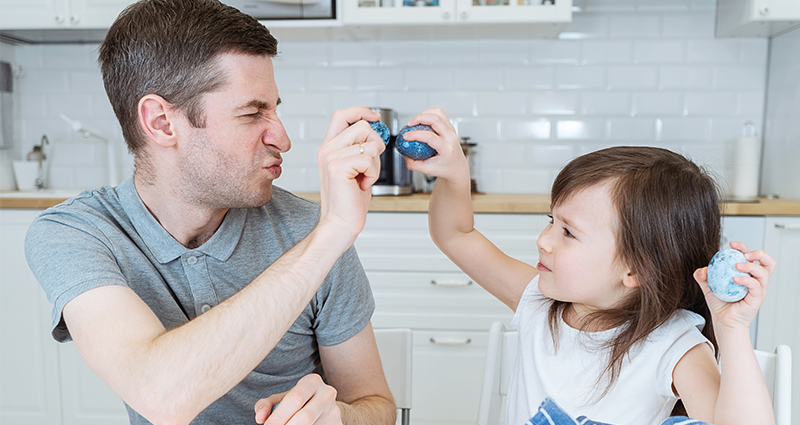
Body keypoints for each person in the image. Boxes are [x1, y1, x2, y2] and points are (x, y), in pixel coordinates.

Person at [23, 1, 395, 424]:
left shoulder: (308, 229)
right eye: (253, 112)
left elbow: (375, 404)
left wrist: (342, 419)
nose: (283, 138)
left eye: (275, 108)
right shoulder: (77, 234)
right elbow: (162, 396)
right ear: (162, 123)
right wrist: (330, 235)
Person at [402, 108, 775, 425]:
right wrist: (453, 173)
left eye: (568, 232)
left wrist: (732, 329)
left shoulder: (672, 343)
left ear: (635, 270)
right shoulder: (538, 301)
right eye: (551, 220)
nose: (543, 240)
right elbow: (456, 235)